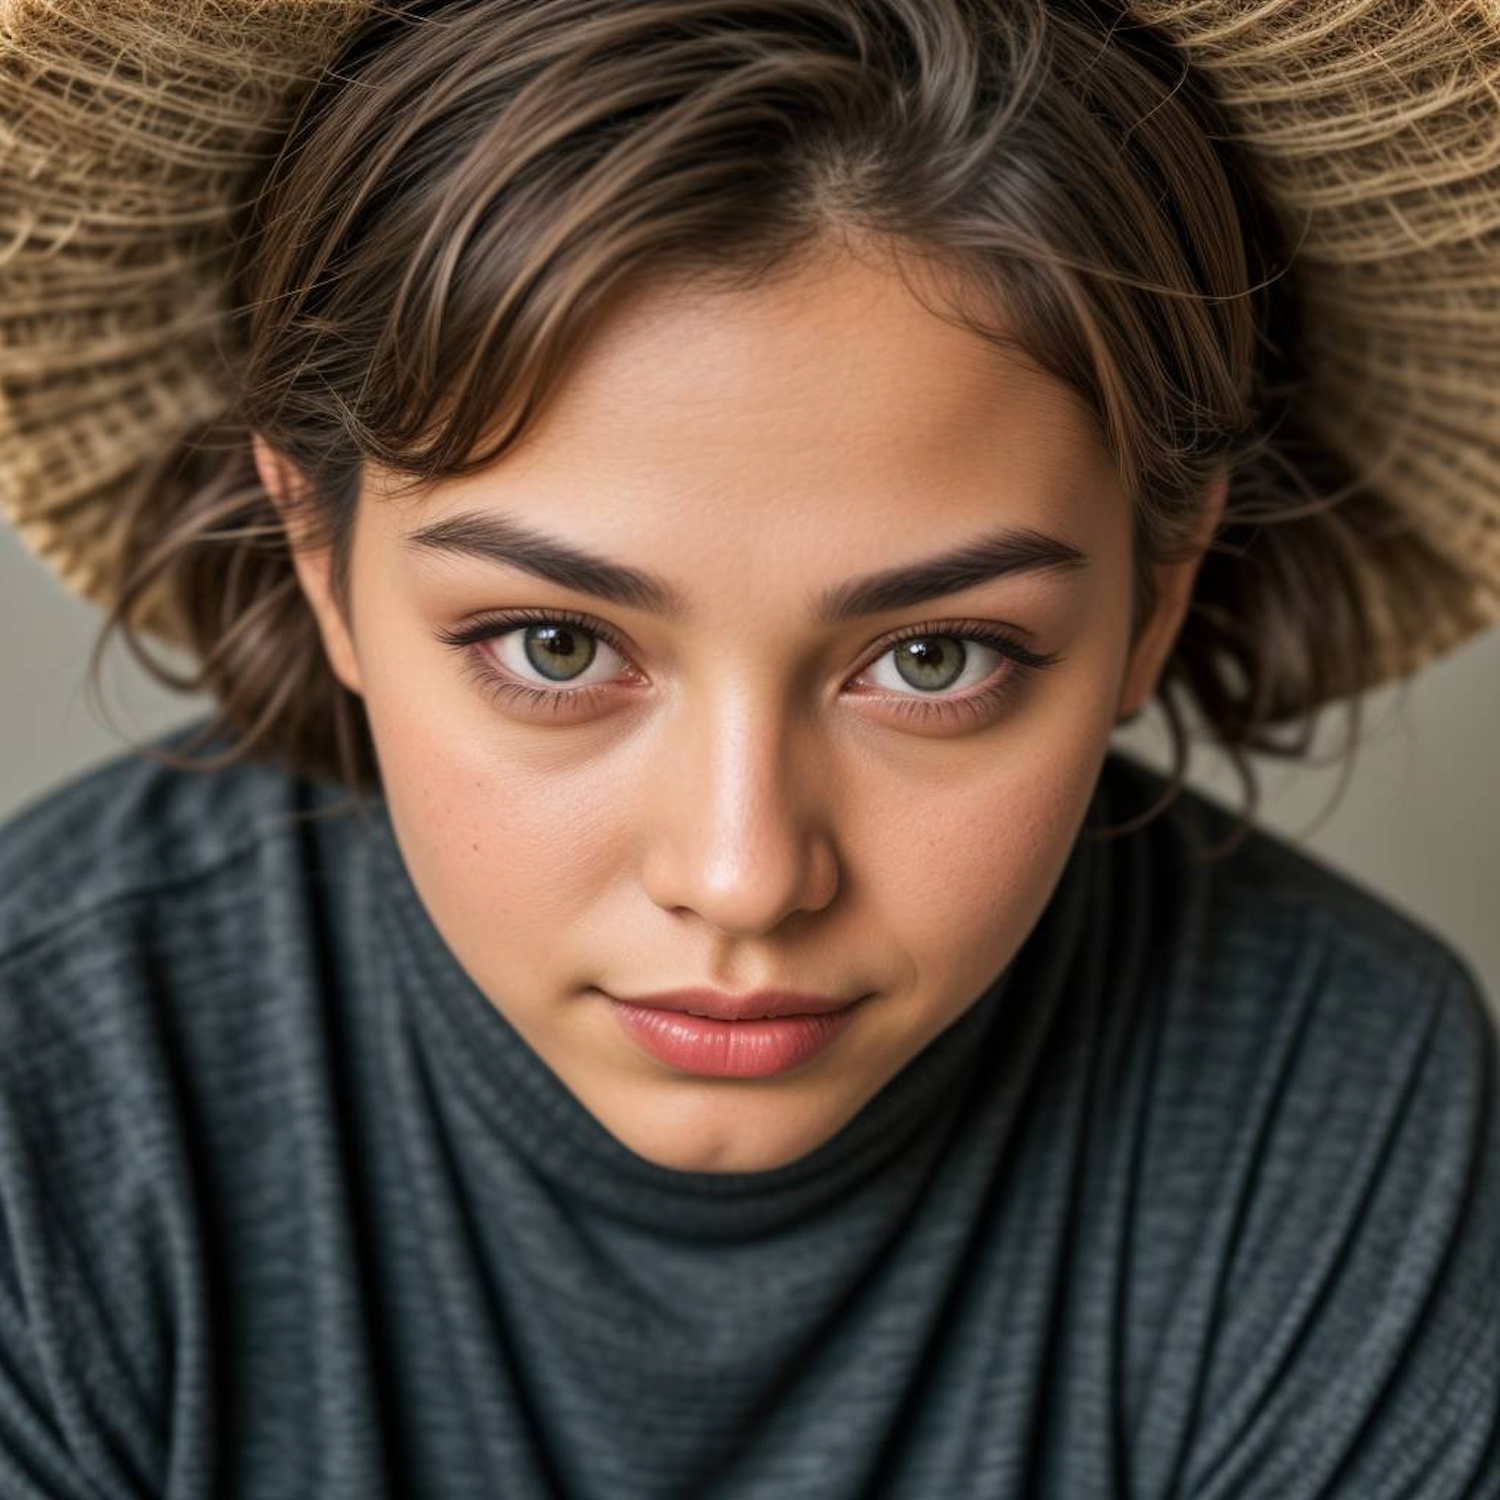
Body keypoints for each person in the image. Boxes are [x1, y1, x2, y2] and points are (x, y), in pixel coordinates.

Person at [0, 0, 1496, 1495]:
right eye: (558, 646)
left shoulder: (1346, 1099)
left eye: (933, 658)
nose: (743, 878)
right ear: (322, 558)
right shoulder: (49, 1078)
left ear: (1155, 599)